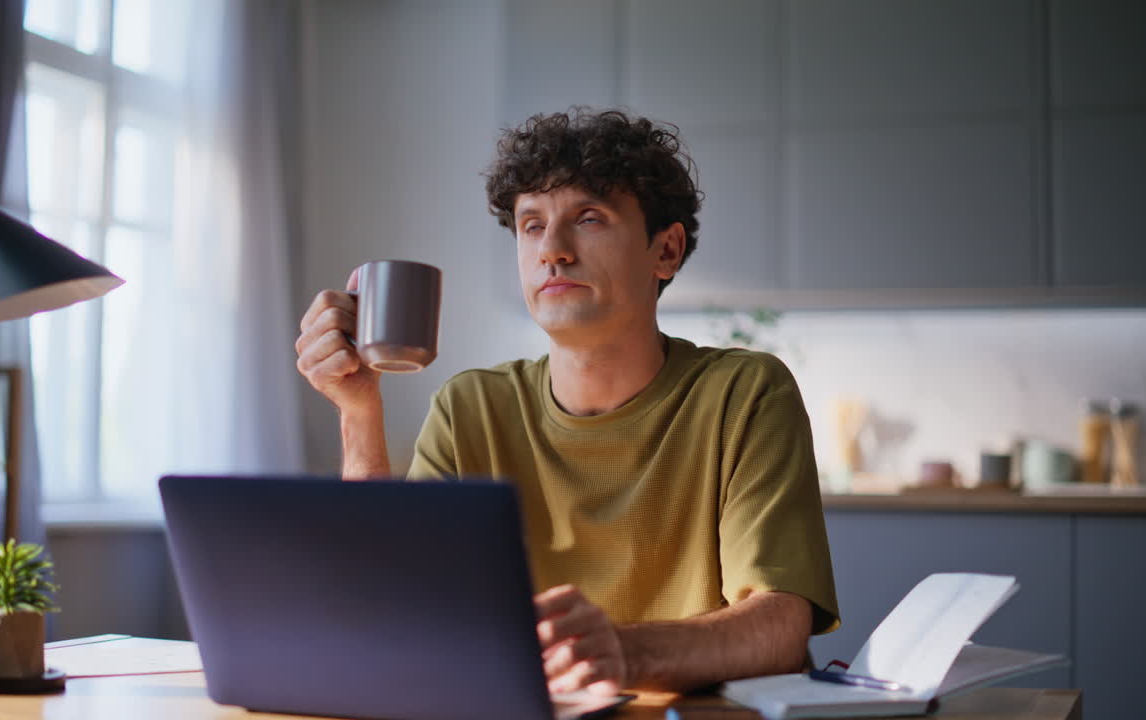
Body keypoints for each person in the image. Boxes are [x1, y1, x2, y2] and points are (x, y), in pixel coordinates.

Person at [295, 108, 838, 698]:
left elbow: (781, 627)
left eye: (588, 218)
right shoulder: (470, 406)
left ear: (667, 251)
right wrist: (357, 412)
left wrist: (622, 653)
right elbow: (391, 609)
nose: (552, 250)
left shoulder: (743, 393)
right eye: (531, 225)